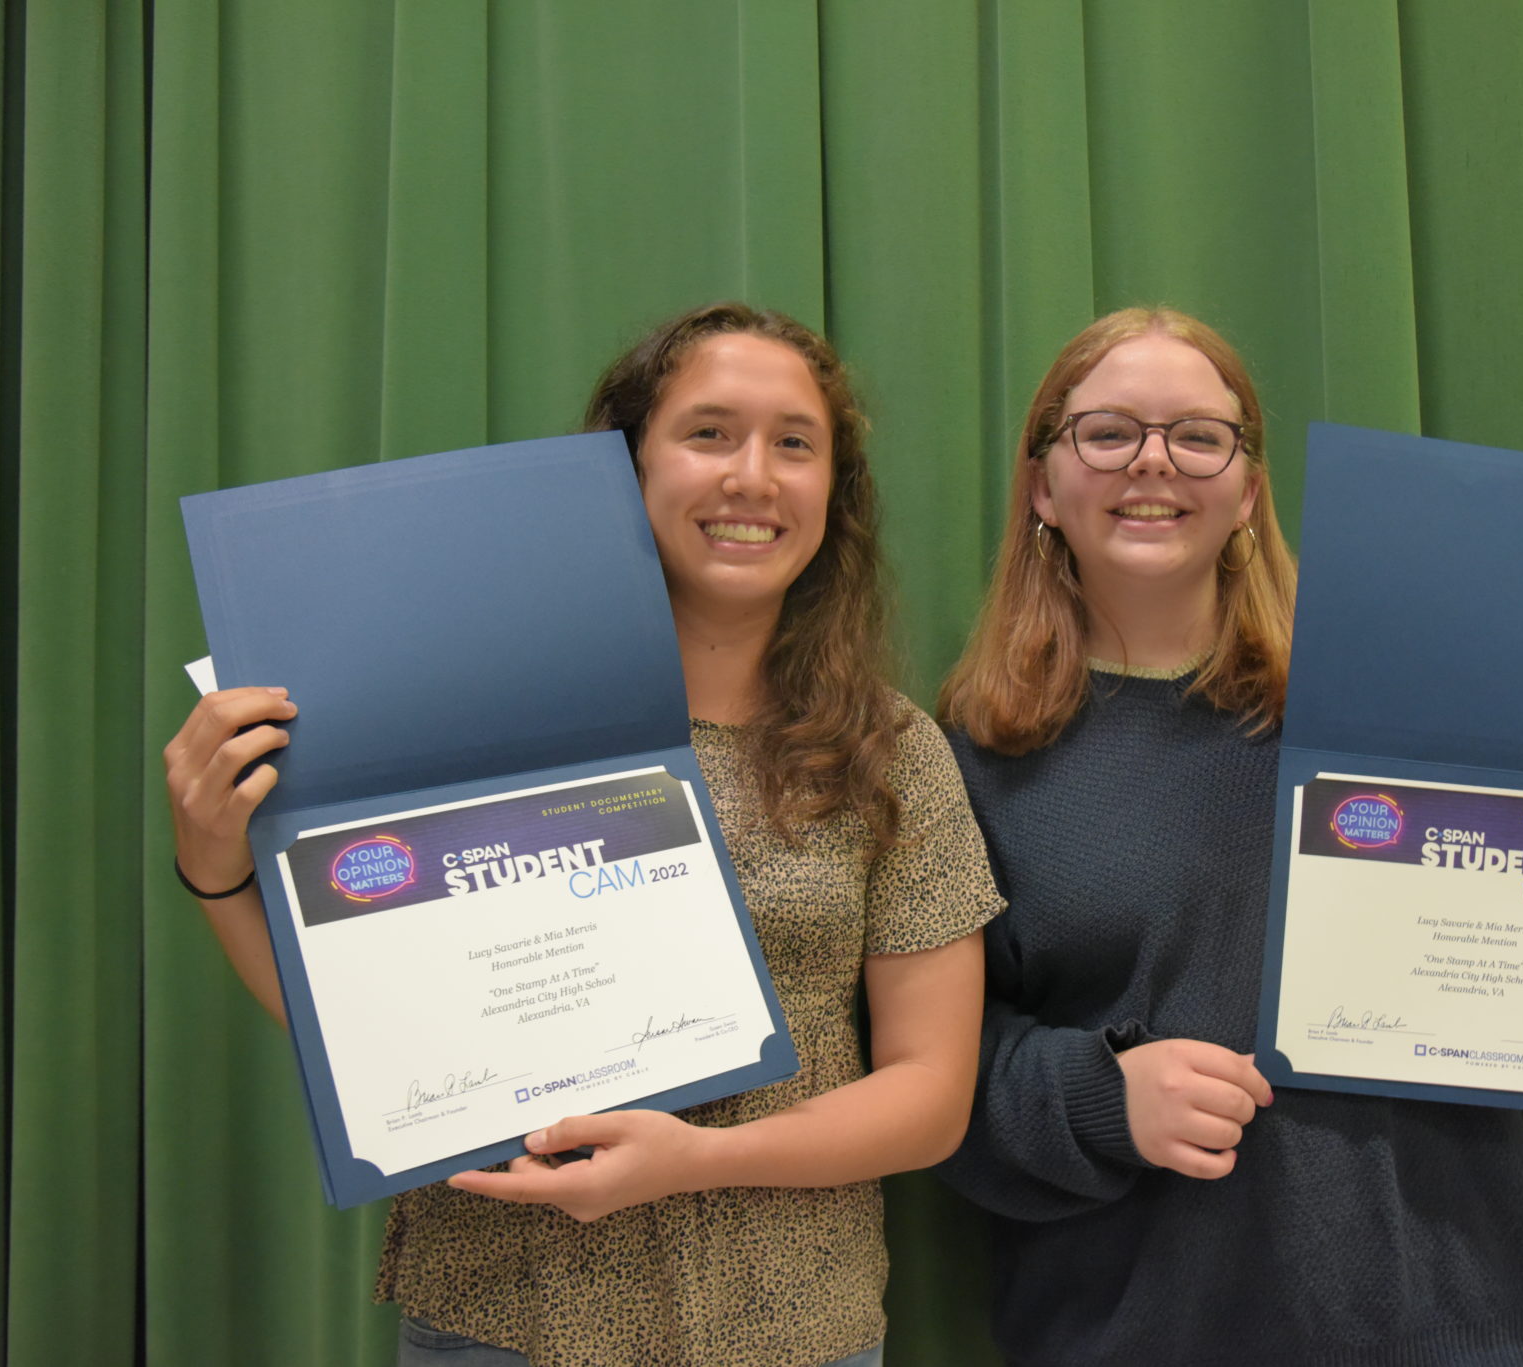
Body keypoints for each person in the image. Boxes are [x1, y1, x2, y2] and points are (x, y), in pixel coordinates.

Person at [164, 302, 1004, 1367]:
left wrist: (694, 1158)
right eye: (707, 432)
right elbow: (363, 1031)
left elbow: (929, 1096)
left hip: (793, 1327)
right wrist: (215, 866)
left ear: (833, 492)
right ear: (625, 463)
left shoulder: (891, 750)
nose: (751, 475)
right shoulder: (460, 715)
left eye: (794, 442)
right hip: (502, 1317)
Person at [935, 307, 1523, 1366]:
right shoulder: (966, 759)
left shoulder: (1396, 707)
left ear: (1246, 490)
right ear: (1042, 483)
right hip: (1136, 1328)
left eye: (1197, 434)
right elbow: (936, 1070)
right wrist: (1102, 1097)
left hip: (1442, 1321)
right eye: (1106, 431)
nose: (1152, 461)